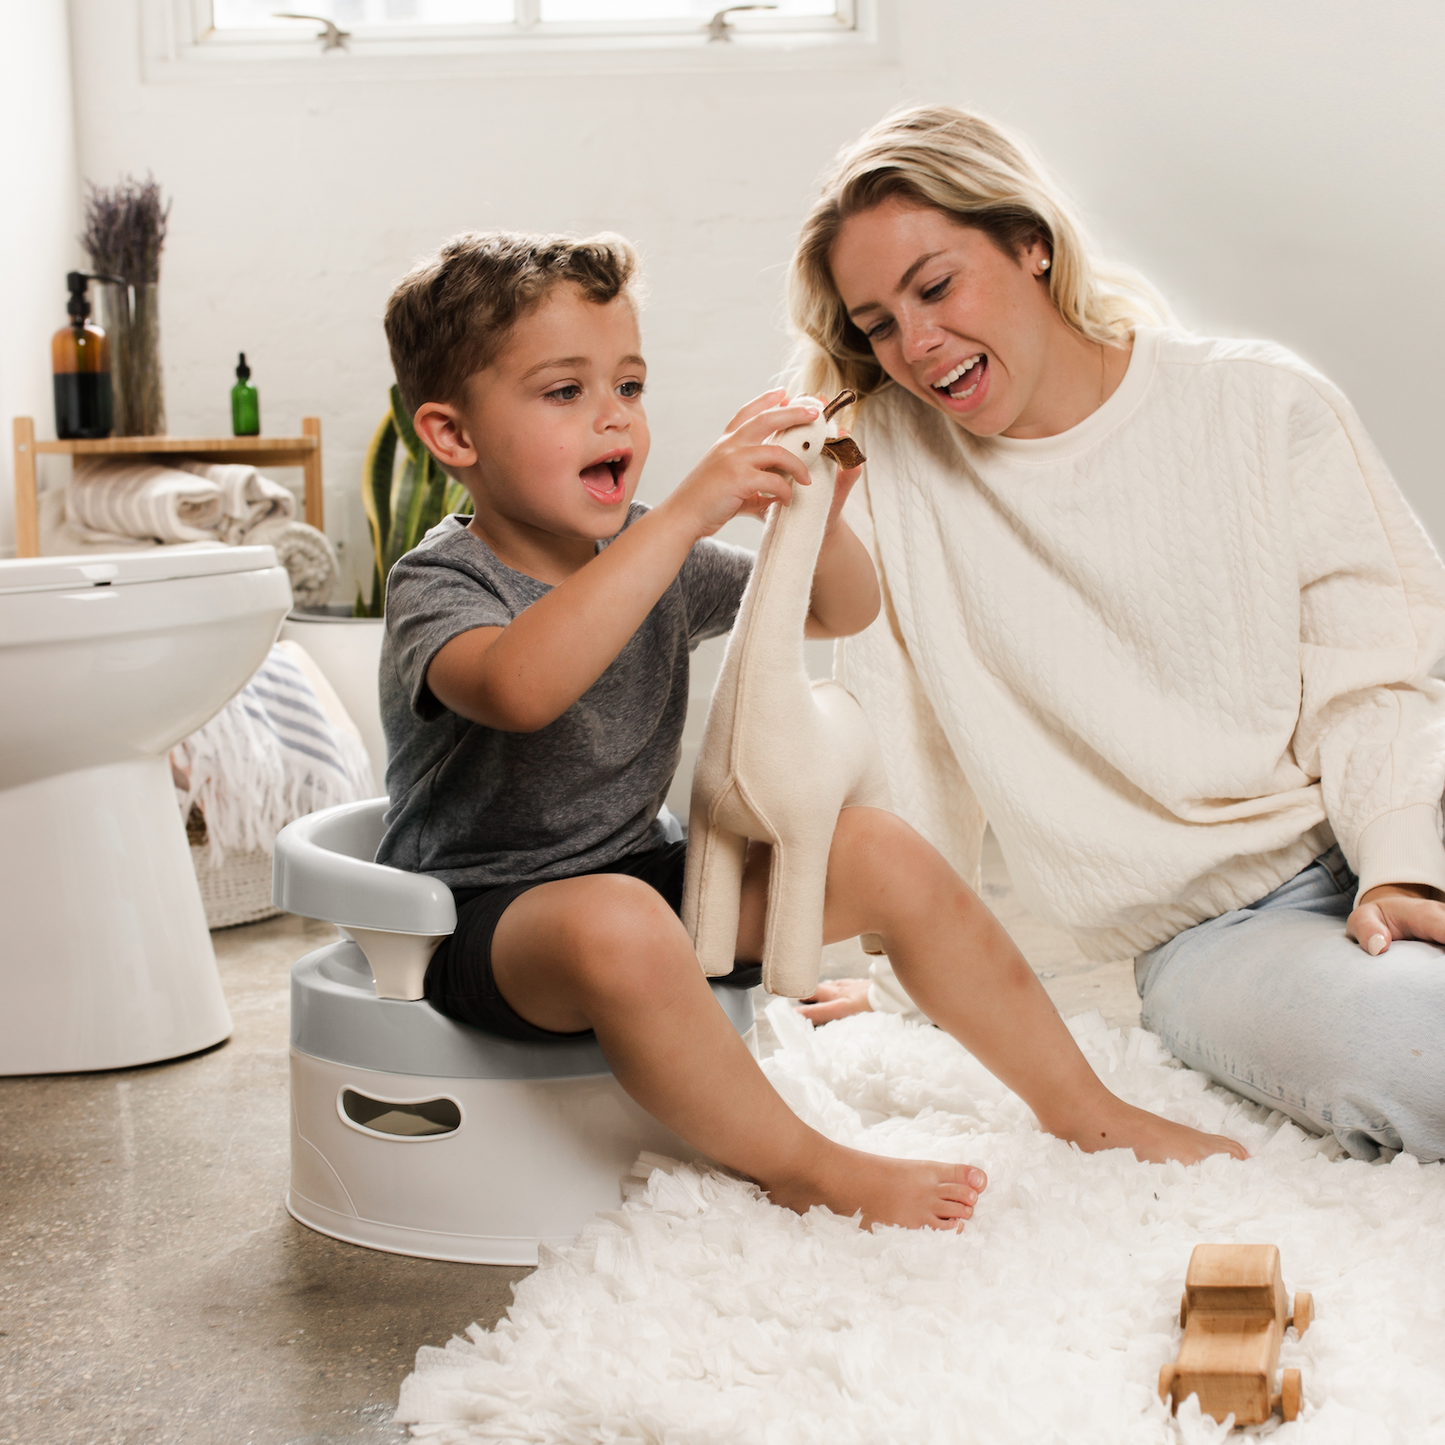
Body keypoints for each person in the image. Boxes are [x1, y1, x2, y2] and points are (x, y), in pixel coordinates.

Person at [372, 229, 1243, 1235]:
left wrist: (814, 517)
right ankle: (799, 1161)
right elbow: (520, 684)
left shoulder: (645, 551)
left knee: (875, 845)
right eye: (563, 392)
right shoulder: (440, 584)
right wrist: (686, 515)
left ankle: (1082, 1106)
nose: (614, 415)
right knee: (612, 917)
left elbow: (834, 610)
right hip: (486, 920)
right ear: (452, 435)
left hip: (648, 881)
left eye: (631, 384)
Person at [785, 105, 1445, 1162]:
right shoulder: (889, 466)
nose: (914, 345)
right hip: (1219, 931)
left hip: (1403, 820)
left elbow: (1376, 672)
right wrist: (890, 962)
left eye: (935, 285)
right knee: (1422, 1057)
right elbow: (888, 724)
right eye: (874, 323)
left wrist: (1402, 865)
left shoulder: (1258, 402)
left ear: (1027, 241)